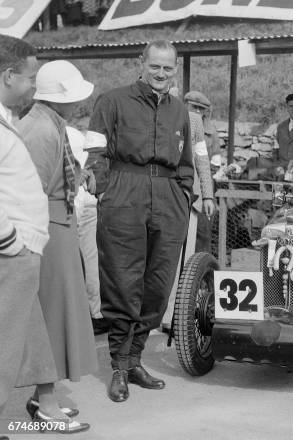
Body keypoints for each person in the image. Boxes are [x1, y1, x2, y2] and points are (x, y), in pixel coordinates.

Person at [84, 40, 194, 403]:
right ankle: (118, 366)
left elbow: (186, 160)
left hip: (168, 197)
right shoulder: (112, 100)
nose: (161, 74)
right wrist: (103, 189)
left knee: (157, 283)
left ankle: (135, 360)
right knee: (122, 279)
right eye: (155, 66)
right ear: (141, 63)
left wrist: (184, 193)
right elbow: (95, 149)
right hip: (124, 193)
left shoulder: (180, 110)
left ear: (175, 70)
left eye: (168, 68)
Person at [16, 60, 95, 433]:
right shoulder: (41, 129)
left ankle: (43, 395)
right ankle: (45, 401)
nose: (80, 104)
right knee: (49, 315)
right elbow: (29, 189)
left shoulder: (47, 122)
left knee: (55, 312)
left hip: (55, 223)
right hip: (45, 228)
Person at [0, 34, 61, 434]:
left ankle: (45, 402)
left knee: (23, 334)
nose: (34, 86)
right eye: (30, 77)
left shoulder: (5, 120)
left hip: (21, 249)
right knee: (4, 347)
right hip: (12, 251)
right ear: (8, 76)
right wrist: (9, 240)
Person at [68, 126, 109, 335]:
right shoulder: (77, 134)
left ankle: (74, 315)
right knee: (91, 260)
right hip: (89, 199)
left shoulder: (51, 131)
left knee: (70, 263)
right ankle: (97, 314)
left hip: (71, 200)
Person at [183, 92, 216, 253]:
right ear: (185, 105)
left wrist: (207, 195)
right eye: (193, 107)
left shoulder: (207, 130)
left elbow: (204, 162)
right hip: (176, 189)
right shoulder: (176, 120)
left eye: (200, 109)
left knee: (202, 236)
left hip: (197, 190)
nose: (196, 111)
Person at [184, 90, 222, 157]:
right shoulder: (176, 126)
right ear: (186, 106)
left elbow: (215, 162)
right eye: (194, 107)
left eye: (201, 108)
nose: (197, 111)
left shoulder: (212, 133)